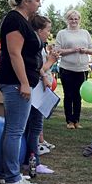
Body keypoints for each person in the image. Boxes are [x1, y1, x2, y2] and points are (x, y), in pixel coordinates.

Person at [0, 0, 44, 184]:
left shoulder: (23, 20)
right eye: (37, 0)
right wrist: (24, 82)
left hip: (19, 81)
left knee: (11, 130)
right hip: (15, 82)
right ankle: (13, 178)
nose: (39, 5)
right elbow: (14, 53)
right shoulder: (14, 20)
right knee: (15, 131)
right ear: (26, 1)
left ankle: (10, 175)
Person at [29, 14, 60, 173]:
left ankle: (33, 161)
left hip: (39, 91)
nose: (49, 33)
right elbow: (38, 67)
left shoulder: (39, 46)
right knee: (34, 128)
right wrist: (51, 61)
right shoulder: (34, 46)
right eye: (47, 30)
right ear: (39, 30)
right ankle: (35, 163)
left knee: (35, 127)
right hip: (36, 93)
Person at [55, 9, 92, 130]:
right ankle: (69, 120)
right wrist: (72, 50)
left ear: (79, 20)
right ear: (67, 20)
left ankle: (76, 120)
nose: (74, 21)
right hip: (67, 68)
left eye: (76, 19)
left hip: (82, 69)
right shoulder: (62, 33)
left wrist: (85, 50)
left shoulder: (85, 33)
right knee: (69, 95)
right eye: (71, 18)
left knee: (78, 96)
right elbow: (58, 51)